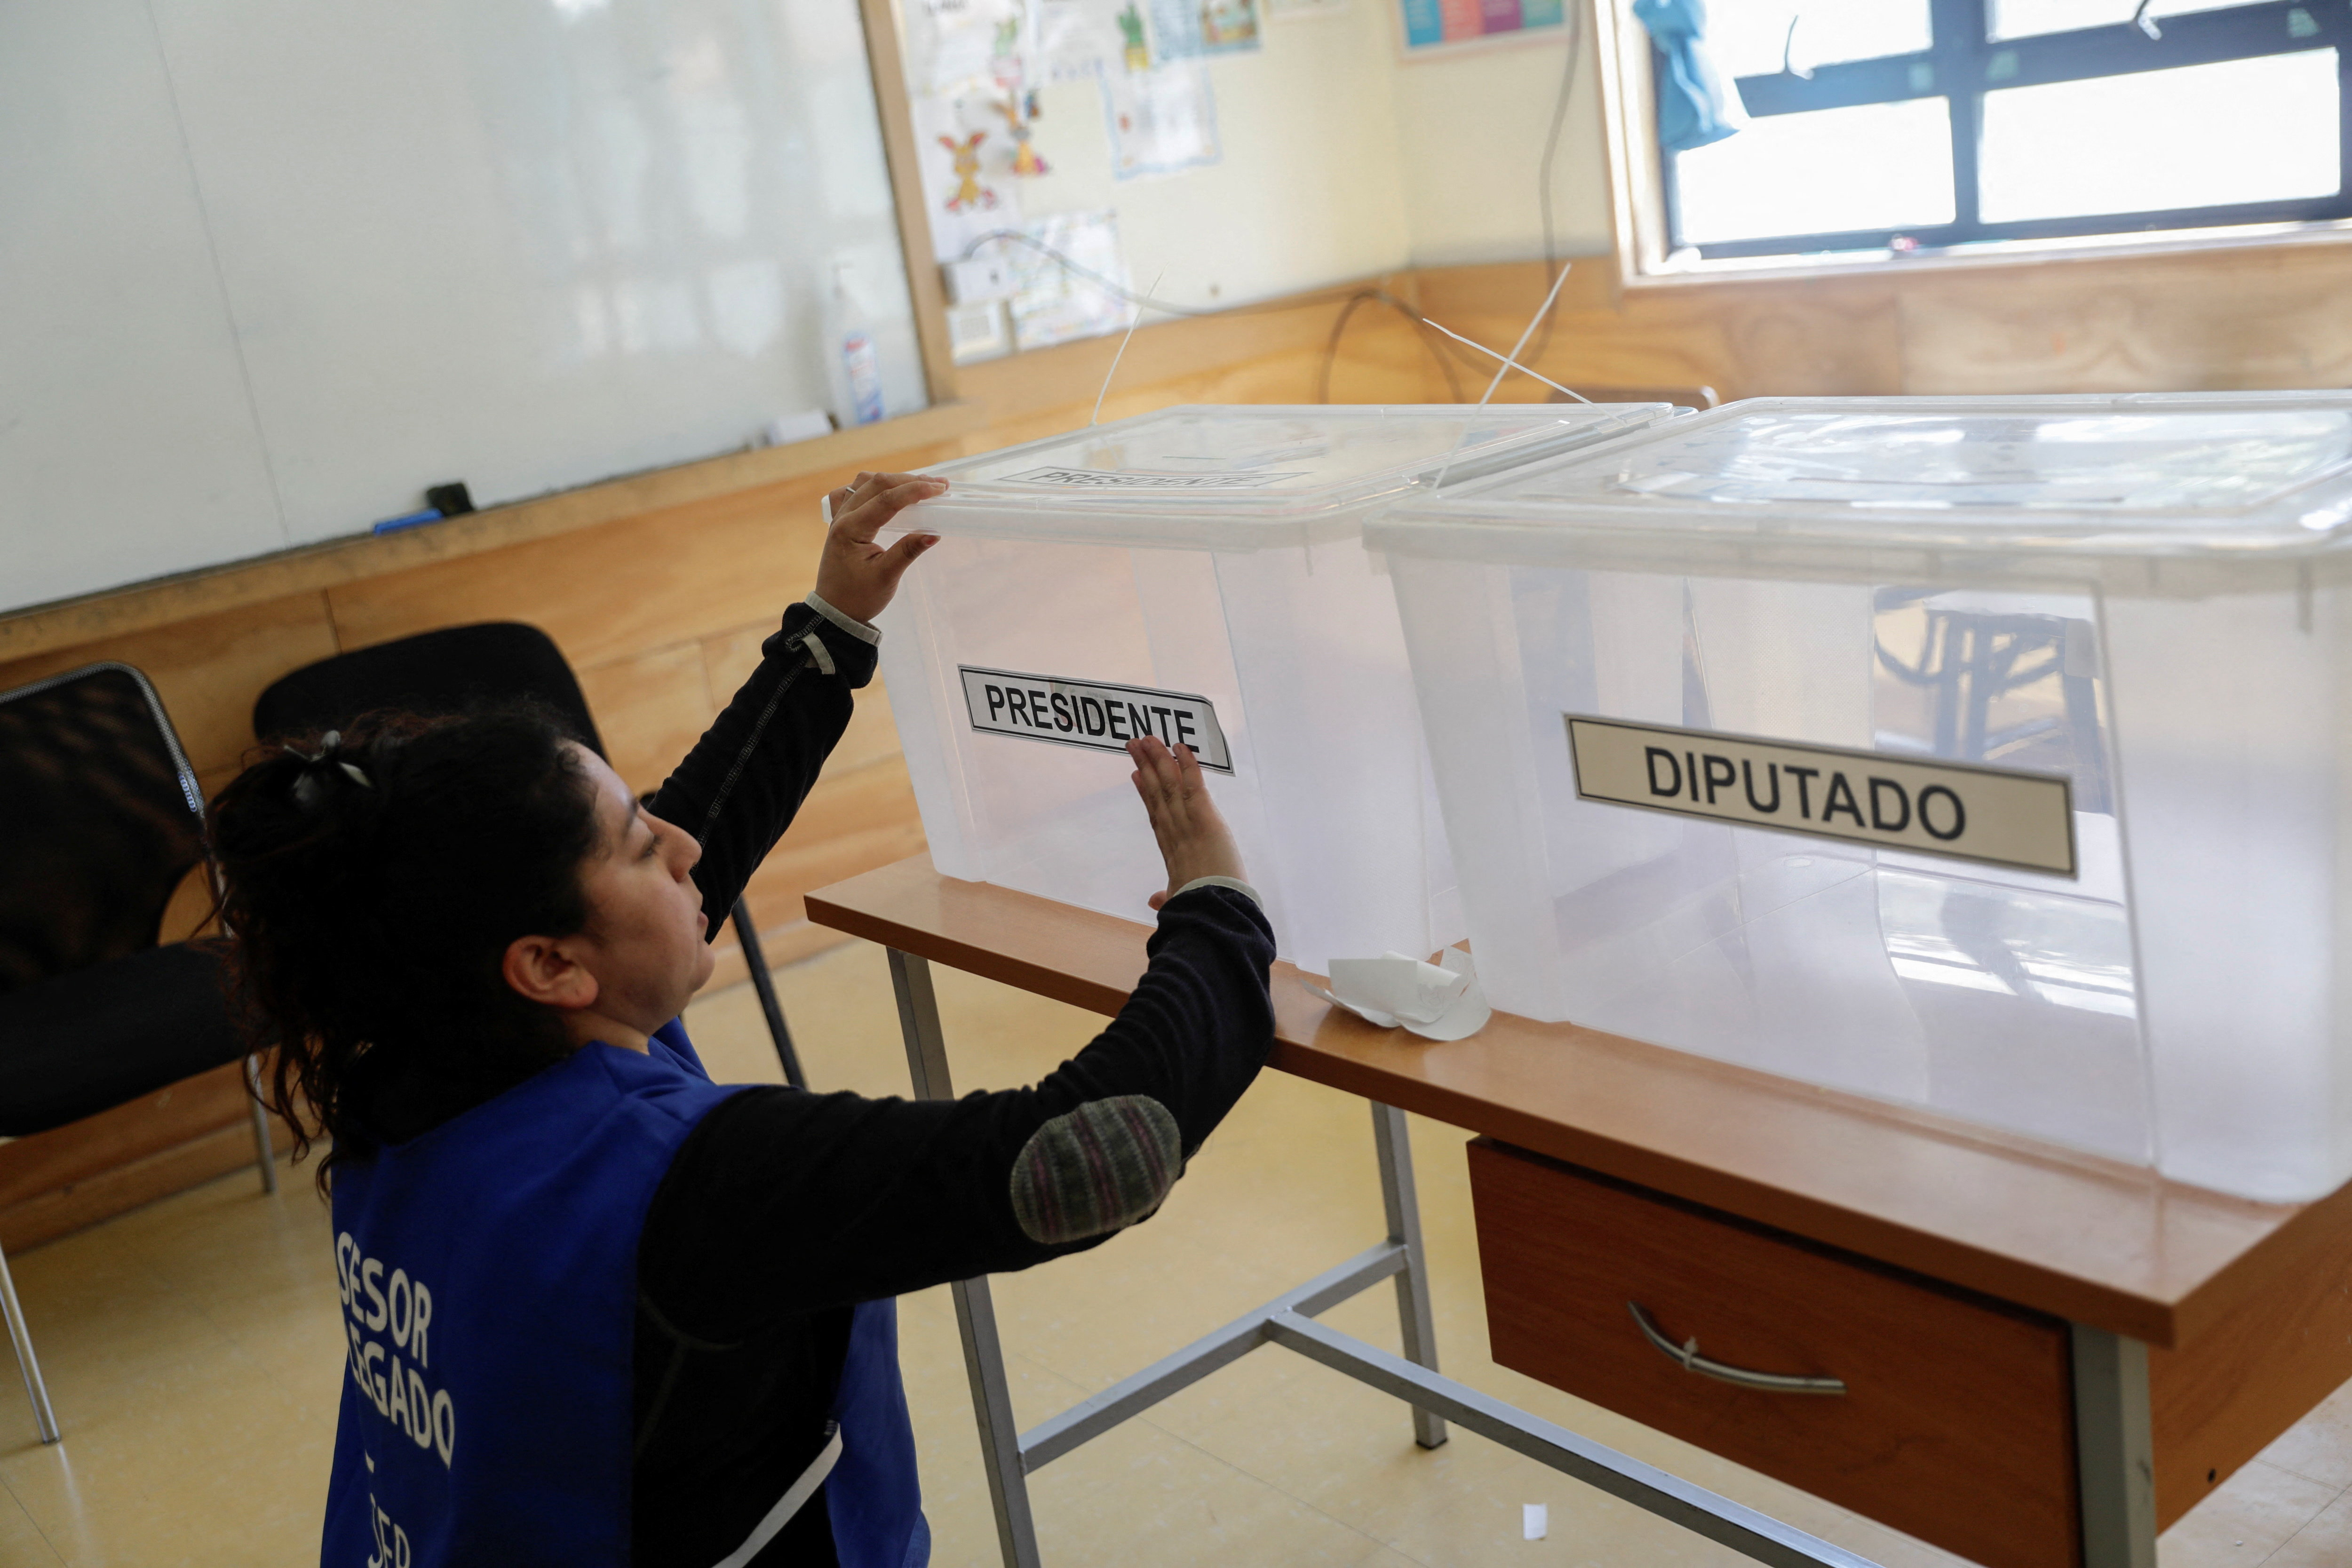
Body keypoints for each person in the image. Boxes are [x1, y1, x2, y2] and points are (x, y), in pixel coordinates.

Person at [207, 472, 1277, 1568]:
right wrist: (1218, 908)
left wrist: (830, 631)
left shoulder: (417, 1056)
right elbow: (1093, 1154)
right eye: (639, 843)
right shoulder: (690, 1187)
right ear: (550, 965)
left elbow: (691, 838)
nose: (680, 847)